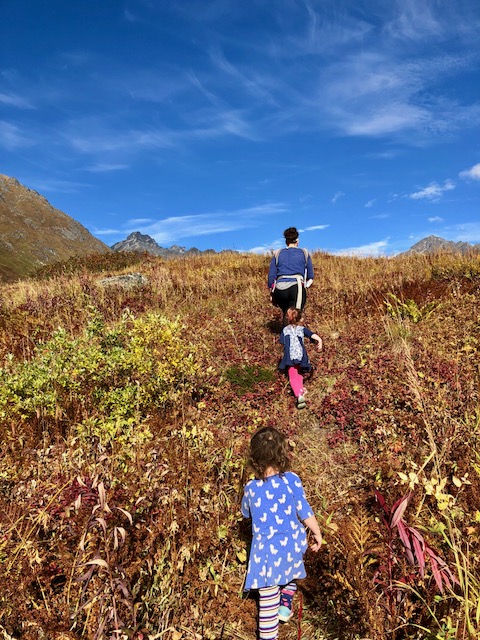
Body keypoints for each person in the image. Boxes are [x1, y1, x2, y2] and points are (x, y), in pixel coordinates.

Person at [241, 427, 323, 640]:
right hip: (293, 545)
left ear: (255, 456)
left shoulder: (251, 488)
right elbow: (304, 509)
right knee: (291, 571)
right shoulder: (292, 479)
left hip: (266, 556)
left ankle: (270, 632)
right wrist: (317, 532)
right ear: (283, 453)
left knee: (267, 609)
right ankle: (286, 604)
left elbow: (246, 513)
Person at [268, 227, 314, 325]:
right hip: (296, 286)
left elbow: (271, 277)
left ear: (286, 241)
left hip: (279, 289)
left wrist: (272, 293)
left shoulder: (277, 253)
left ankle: (284, 337)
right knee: (295, 316)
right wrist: (305, 287)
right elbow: (311, 277)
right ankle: (294, 338)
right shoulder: (304, 252)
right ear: (297, 240)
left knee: (286, 313)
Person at [279, 307, 322, 409]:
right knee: (299, 374)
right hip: (301, 356)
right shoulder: (302, 329)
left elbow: (282, 342)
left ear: (287, 318)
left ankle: (299, 394)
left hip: (290, 357)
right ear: (299, 318)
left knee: (292, 376)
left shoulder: (285, 330)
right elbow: (312, 335)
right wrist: (320, 340)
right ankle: (301, 390)